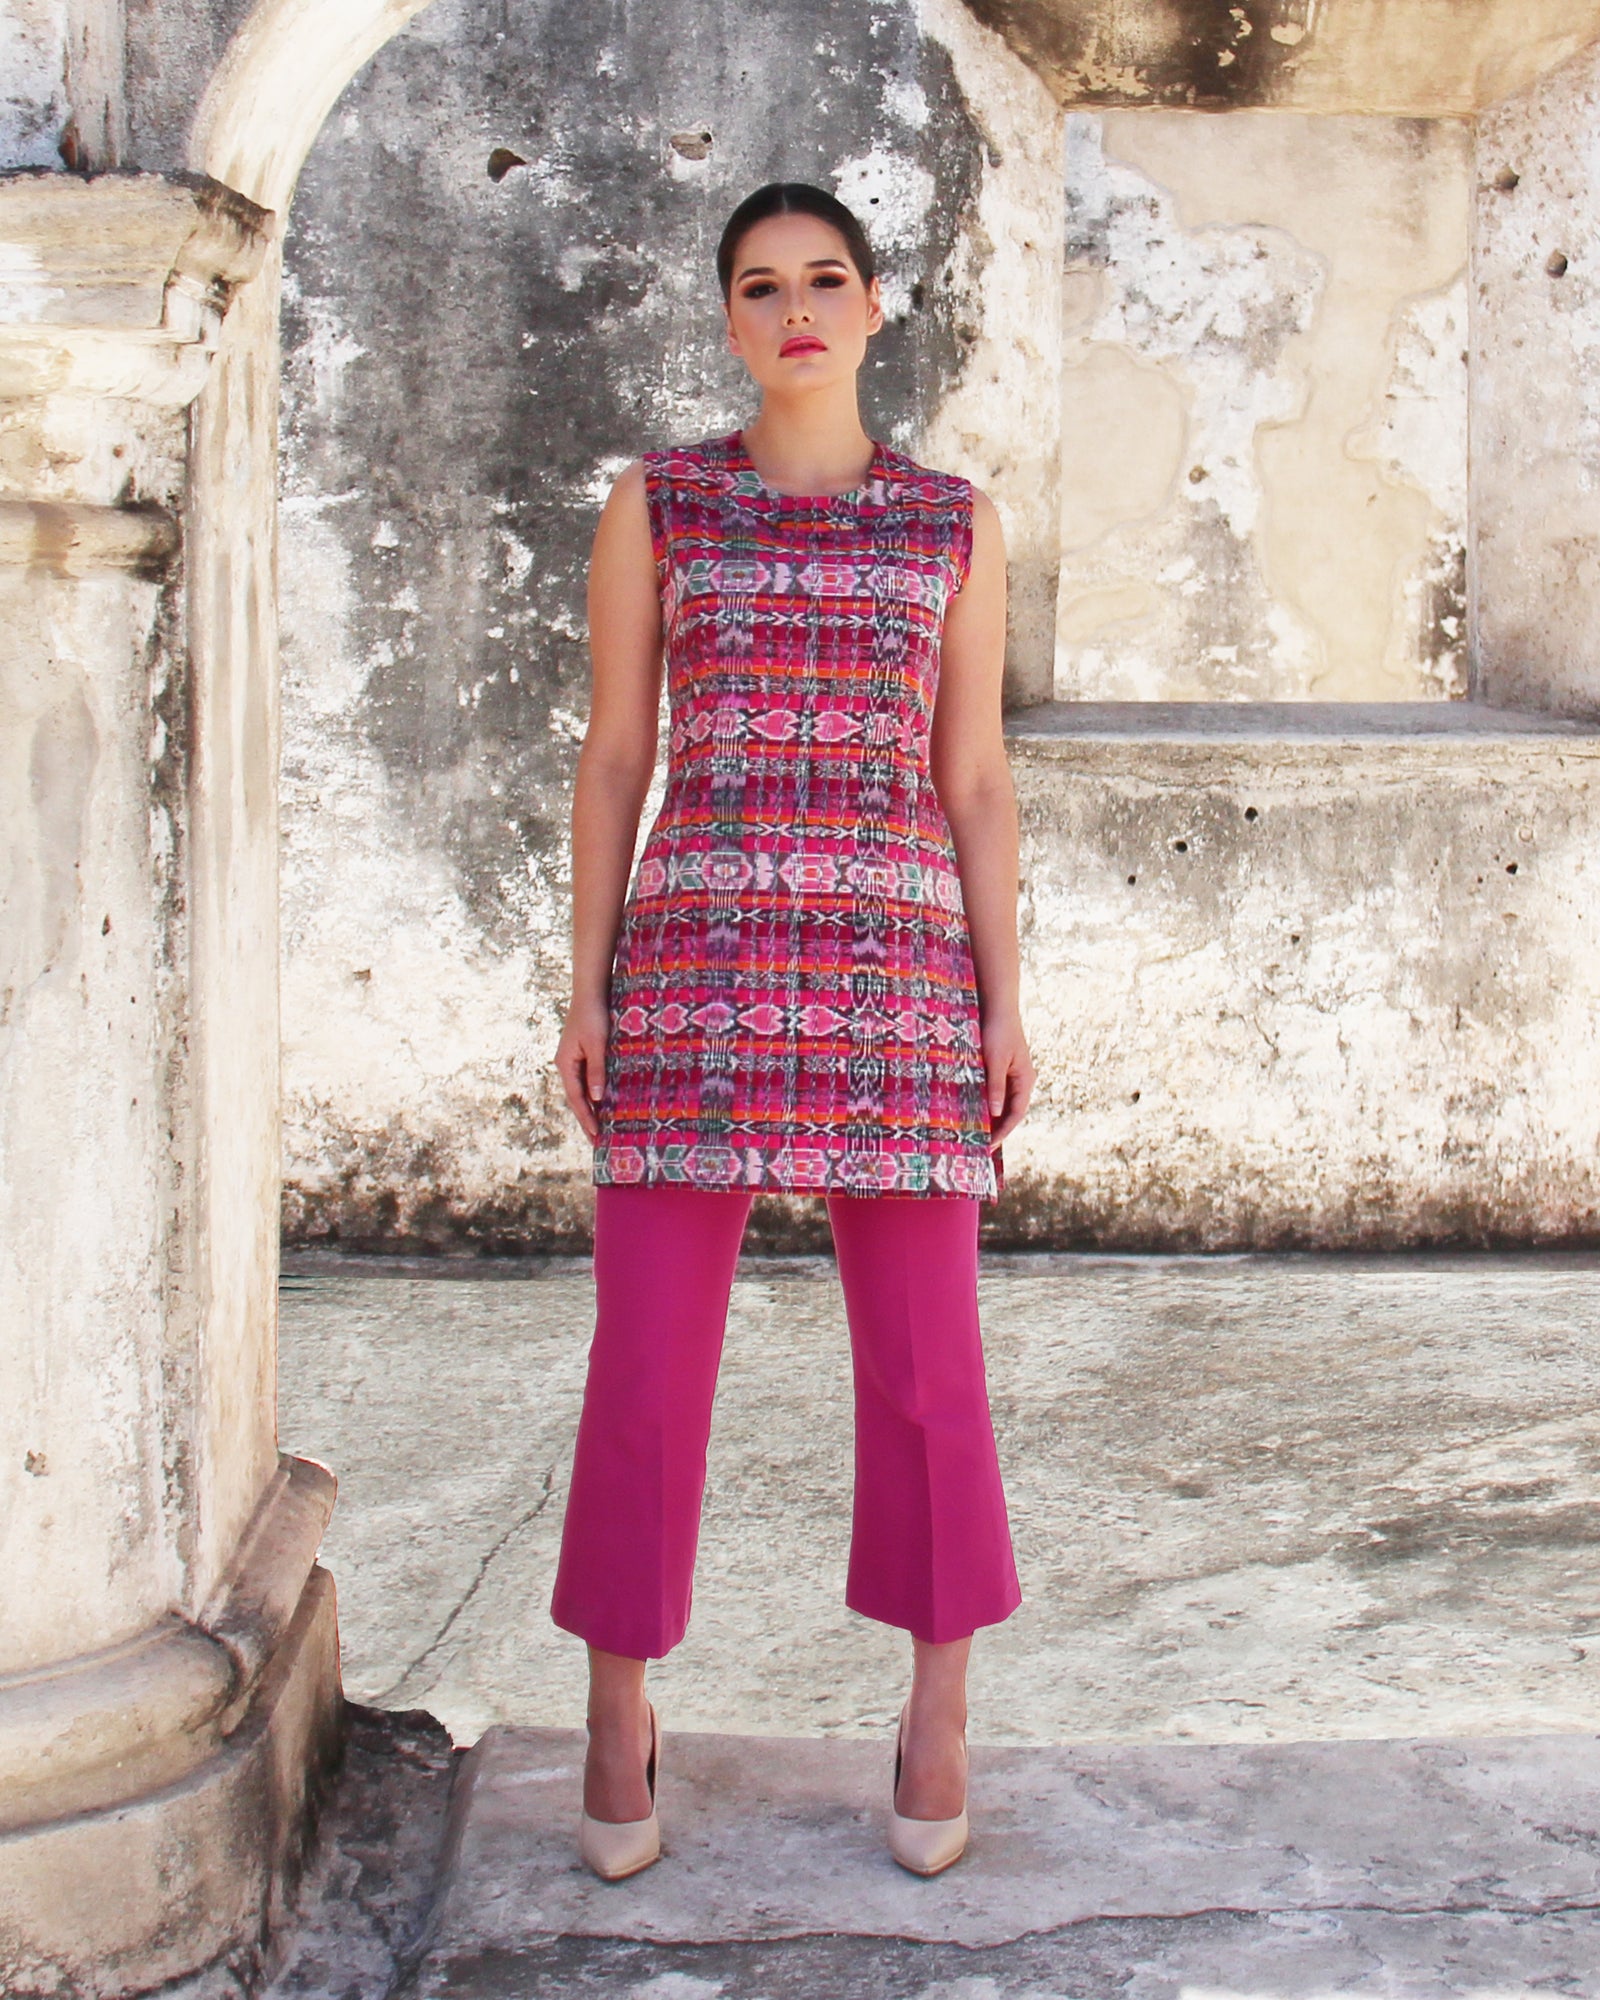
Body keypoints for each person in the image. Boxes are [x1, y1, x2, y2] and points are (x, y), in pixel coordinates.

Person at [551, 181, 1035, 1883]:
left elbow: (976, 775)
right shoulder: (660, 504)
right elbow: (618, 752)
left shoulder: (952, 523)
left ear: (876, 304)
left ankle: (937, 1711)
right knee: (645, 1366)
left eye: (827, 279)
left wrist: (1006, 996)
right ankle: (617, 1713)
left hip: (901, 983)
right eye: (761, 287)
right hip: (693, 972)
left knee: (928, 1374)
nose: (798, 310)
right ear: (729, 320)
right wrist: (587, 980)